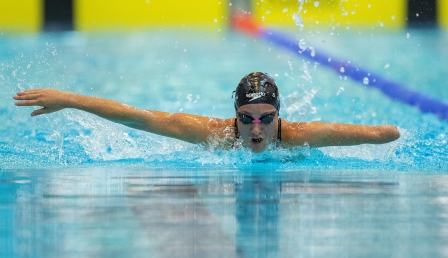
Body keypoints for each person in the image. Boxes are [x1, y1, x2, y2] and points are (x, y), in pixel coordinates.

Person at [13, 72, 400, 153]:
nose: (257, 128)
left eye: (267, 118)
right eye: (247, 119)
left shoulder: (299, 136)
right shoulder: (215, 134)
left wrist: (389, 132)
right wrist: (70, 97)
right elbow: (138, 117)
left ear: (279, 117)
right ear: (235, 117)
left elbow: (381, 134)